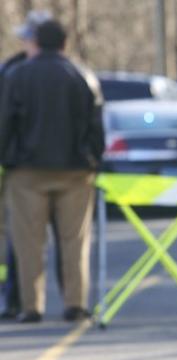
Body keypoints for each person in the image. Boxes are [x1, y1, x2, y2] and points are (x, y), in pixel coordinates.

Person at [0, 19, 104, 323]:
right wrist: (93, 158)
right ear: (64, 44)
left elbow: (5, 121)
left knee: (28, 243)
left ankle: (31, 306)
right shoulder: (82, 75)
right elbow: (95, 123)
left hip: (26, 171)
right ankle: (75, 303)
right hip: (75, 171)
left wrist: (7, 158)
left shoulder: (17, 76)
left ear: (36, 42)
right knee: (75, 241)